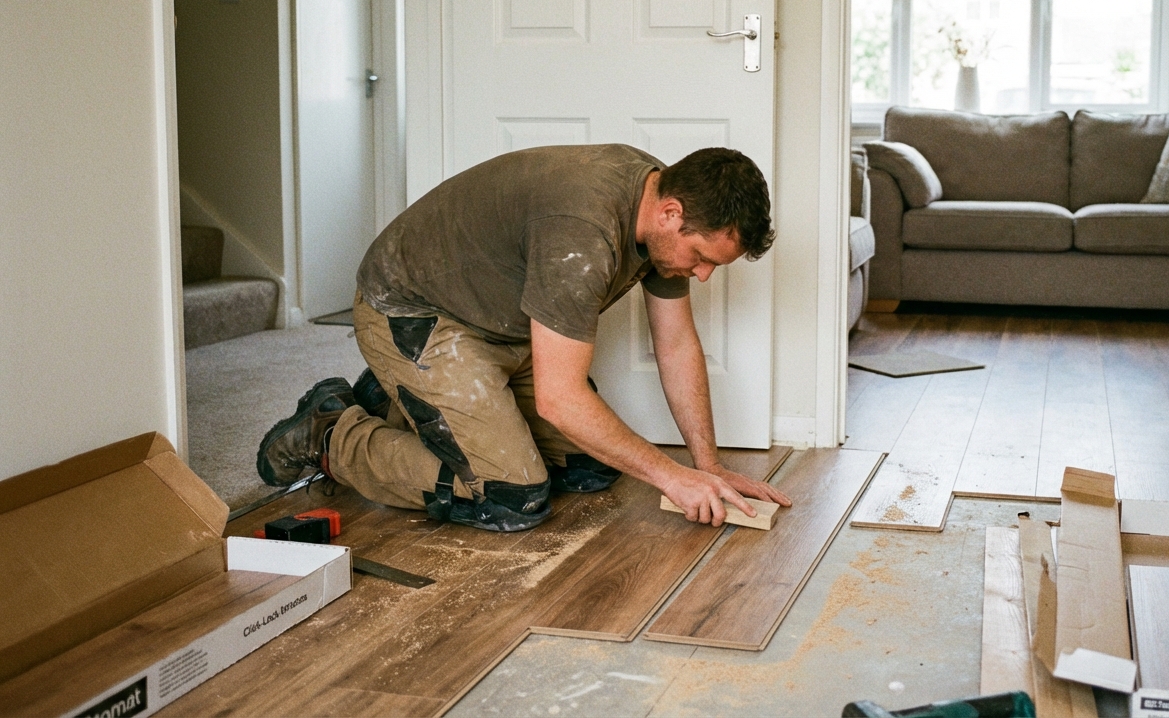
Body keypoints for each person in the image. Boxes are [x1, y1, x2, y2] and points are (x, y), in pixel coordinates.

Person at [255, 144, 791, 532]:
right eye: (701, 259)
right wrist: (671, 478)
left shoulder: (659, 203)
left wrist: (708, 465)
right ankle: (330, 432)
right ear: (671, 214)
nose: (702, 276)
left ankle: (397, 399)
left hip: (502, 329)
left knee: (592, 463)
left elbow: (675, 345)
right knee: (512, 496)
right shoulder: (583, 230)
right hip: (414, 316)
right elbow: (561, 398)